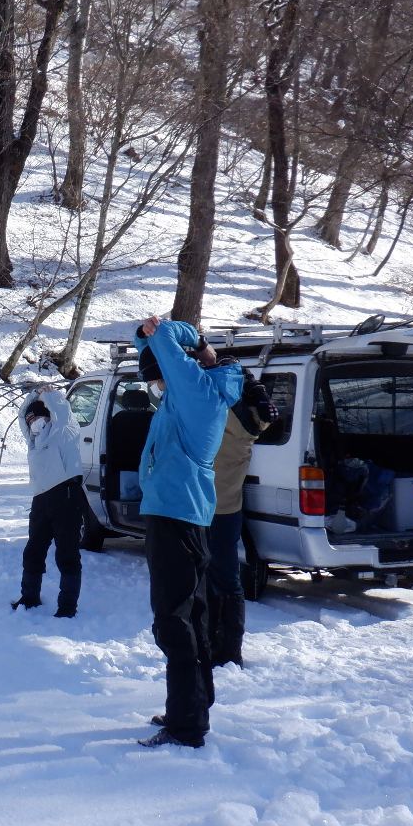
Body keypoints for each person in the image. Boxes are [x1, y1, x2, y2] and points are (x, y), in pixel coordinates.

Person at [133, 317, 243, 748]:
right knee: (191, 617)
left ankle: (187, 725)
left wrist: (194, 340)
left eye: (156, 380)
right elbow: (151, 342)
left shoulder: (198, 394)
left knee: (173, 621)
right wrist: (146, 337)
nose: (154, 388)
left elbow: (163, 337)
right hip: (178, 513)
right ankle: (192, 706)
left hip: (175, 516)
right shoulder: (187, 399)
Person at [208, 366, 277, 668]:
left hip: (206, 508)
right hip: (230, 508)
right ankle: (229, 647)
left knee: (210, 578)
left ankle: (216, 646)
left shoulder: (218, 416)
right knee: (228, 579)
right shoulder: (254, 421)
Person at [12, 384, 85, 618]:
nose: (33, 423)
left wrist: (48, 394)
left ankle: (67, 607)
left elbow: (62, 410)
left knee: (66, 554)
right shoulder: (33, 441)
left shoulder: (64, 431)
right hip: (41, 500)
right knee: (33, 551)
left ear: (48, 416)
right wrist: (33, 394)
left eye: (37, 418)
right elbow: (21, 415)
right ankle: (29, 597)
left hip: (66, 496)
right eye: (31, 421)